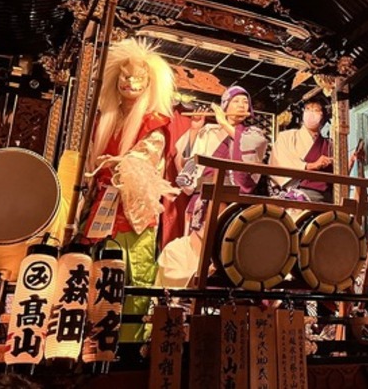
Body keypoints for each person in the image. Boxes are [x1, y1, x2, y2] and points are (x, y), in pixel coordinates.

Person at [81, 38, 180, 341]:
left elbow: (148, 159)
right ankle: (94, 340)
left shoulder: (155, 122)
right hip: (102, 208)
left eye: (139, 77)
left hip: (135, 213)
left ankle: (128, 342)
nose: (131, 82)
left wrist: (121, 163)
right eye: (126, 75)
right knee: (96, 275)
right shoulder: (103, 120)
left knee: (134, 277)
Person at [175, 85, 268, 229]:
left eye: (245, 102)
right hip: (203, 191)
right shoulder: (208, 130)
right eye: (236, 101)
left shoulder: (253, 133)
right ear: (225, 106)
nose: (242, 105)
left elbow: (253, 145)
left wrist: (223, 123)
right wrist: (194, 130)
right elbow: (185, 159)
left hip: (231, 194)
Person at [268, 95, 334, 202]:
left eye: (316, 110)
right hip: (294, 189)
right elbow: (281, 162)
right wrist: (310, 166)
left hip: (321, 194)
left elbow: (339, 171)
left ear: (322, 116)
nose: (311, 113)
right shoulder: (286, 136)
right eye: (308, 109)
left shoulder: (329, 144)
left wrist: (353, 159)